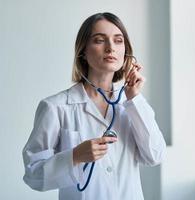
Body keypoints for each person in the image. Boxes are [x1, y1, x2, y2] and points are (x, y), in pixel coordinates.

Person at [22, 12, 166, 200]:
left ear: (126, 51)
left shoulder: (131, 104)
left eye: (118, 40)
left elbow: (155, 155)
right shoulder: (55, 107)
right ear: (83, 50)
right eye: (99, 40)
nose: (110, 48)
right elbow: (33, 174)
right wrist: (74, 156)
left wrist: (134, 99)